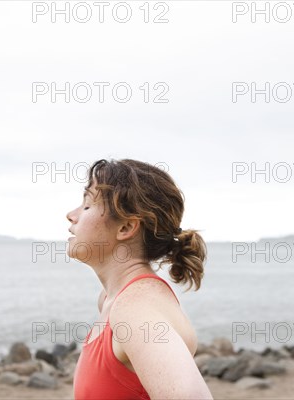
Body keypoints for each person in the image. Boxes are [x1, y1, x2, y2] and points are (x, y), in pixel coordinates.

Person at [66, 158, 214, 399]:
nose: (71, 215)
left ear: (126, 227)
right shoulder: (110, 301)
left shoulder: (136, 308)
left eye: (87, 205)